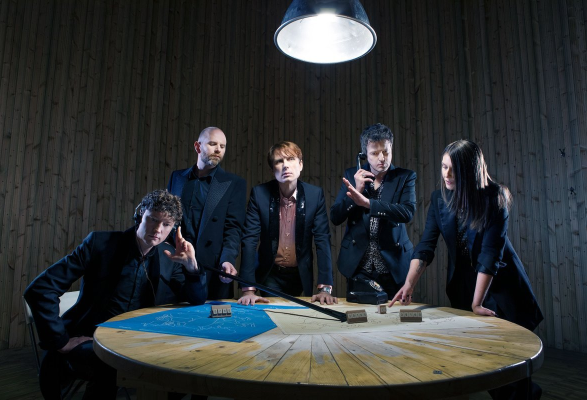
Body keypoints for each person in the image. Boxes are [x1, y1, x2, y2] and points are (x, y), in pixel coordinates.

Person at [391, 139, 543, 399]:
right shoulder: (439, 199)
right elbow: (426, 246)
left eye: (454, 169)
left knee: (508, 368)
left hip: (499, 289)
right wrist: (409, 284)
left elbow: (490, 255)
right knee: (486, 364)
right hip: (464, 287)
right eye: (443, 167)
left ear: (470, 171)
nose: (447, 174)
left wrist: (477, 303)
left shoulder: (495, 197)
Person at [24, 190, 211, 399]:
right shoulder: (100, 244)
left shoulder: (169, 257)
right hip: (91, 337)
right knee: (108, 368)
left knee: (183, 367)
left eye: (166, 224)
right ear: (140, 215)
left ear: (173, 228)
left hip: (141, 341)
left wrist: (191, 266)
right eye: (153, 219)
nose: (158, 229)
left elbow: (196, 300)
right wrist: (61, 341)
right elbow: (40, 289)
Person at [238, 141, 337, 305]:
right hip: (270, 271)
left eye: (291, 159)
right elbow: (249, 239)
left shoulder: (314, 195)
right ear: (272, 170)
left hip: (299, 272)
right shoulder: (259, 194)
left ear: (301, 164)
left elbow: (322, 239)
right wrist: (248, 289)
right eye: (279, 161)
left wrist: (325, 288)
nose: (285, 166)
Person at [330, 123, 416, 298]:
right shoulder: (351, 175)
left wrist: (368, 203)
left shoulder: (405, 176)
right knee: (358, 314)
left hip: (393, 265)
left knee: (394, 314)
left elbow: (407, 212)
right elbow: (335, 217)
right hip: (358, 265)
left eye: (386, 151)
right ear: (364, 155)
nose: (382, 158)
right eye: (375, 153)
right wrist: (357, 190)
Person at [167, 127, 246, 299]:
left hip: (213, 267)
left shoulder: (234, 183)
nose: (218, 149)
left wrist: (227, 259)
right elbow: (167, 219)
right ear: (197, 146)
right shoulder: (177, 177)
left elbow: (233, 228)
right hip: (176, 266)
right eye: (212, 144)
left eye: (222, 146)